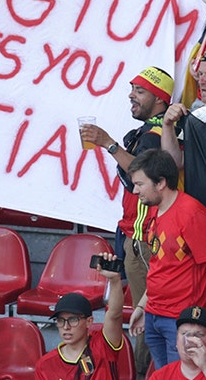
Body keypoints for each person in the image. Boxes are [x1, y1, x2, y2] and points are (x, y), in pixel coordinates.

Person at [78, 66, 175, 378]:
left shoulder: (157, 134)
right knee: (142, 314)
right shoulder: (147, 131)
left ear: (159, 99)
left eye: (140, 91)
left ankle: (149, 373)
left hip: (146, 238)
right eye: (132, 89)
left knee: (148, 316)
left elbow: (141, 171)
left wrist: (108, 143)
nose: (131, 96)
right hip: (132, 231)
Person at [127, 150, 206, 369]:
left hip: (184, 320)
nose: (135, 191)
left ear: (161, 182)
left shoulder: (191, 213)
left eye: (140, 184)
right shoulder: (154, 210)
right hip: (154, 315)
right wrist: (143, 307)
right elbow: (159, 265)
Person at [35, 263, 126, 380]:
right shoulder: (45, 365)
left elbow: (115, 314)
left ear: (89, 321)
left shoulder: (102, 346)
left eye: (73, 320)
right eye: (60, 321)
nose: (66, 327)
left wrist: (114, 280)